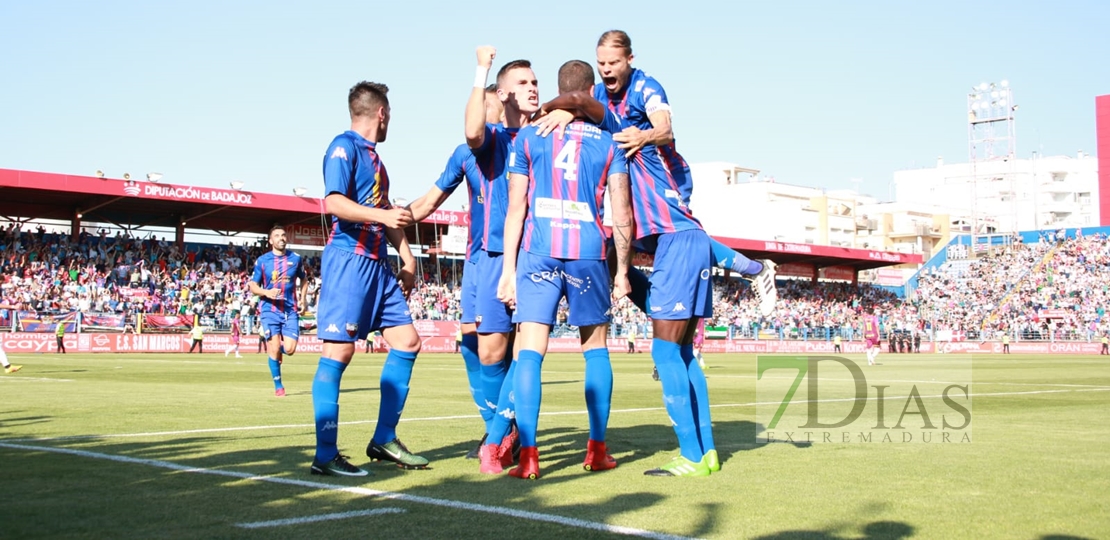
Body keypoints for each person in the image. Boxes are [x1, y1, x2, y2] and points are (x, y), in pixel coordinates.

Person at [495, 59, 634, 480]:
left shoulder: (528, 137)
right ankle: (597, 450)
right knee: (595, 349)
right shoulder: (608, 142)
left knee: (530, 353)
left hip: (538, 252)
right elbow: (622, 214)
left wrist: (508, 270)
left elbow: (515, 209)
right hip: (588, 253)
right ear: (591, 93)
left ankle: (530, 457)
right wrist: (623, 270)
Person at [310, 81, 426, 478]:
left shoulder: (376, 160)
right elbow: (335, 203)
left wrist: (407, 257)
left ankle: (384, 438)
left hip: (378, 266)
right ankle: (325, 454)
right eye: (390, 113)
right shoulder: (342, 147)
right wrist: (381, 217)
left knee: (408, 342)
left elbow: (386, 210)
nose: (390, 119)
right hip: (349, 262)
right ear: (381, 113)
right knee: (338, 353)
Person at [406, 86, 505, 458]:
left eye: (485, 101)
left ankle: (500, 434)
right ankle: (494, 429)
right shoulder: (464, 155)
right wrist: (389, 217)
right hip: (477, 260)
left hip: (509, 258)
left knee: (500, 349)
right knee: (469, 345)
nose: (478, 109)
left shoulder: (518, 143)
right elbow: (429, 201)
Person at [461, 47, 543, 471]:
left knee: (523, 348)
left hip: (536, 254)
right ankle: (505, 429)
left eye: (535, 82)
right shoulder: (496, 138)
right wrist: (482, 70)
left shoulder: (546, 132)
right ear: (505, 94)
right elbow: (473, 129)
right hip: (490, 256)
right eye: (524, 84)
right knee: (488, 352)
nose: (532, 88)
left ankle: (495, 439)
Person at [249, 225, 308, 397]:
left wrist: (303, 299)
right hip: (269, 309)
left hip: (290, 309)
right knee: (274, 346)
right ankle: (278, 386)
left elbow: (304, 281)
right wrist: (266, 292)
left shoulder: (296, 259)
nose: (281, 238)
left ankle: (276, 352)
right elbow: (253, 285)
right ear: (271, 240)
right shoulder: (262, 261)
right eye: (277, 236)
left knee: (289, 349)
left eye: (283, 235)